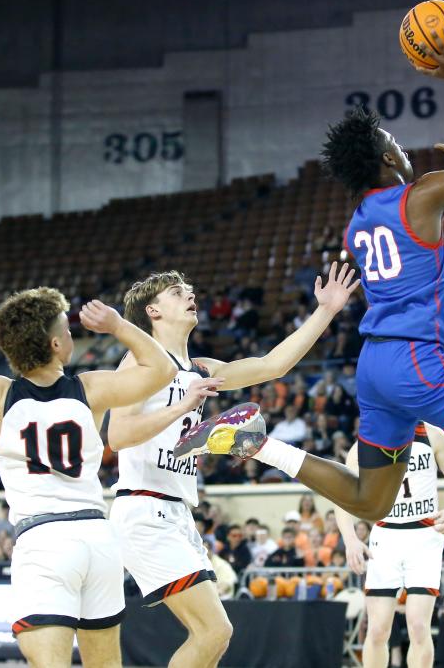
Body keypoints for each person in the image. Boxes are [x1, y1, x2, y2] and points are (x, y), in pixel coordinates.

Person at [175, 28, 444, 632]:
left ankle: (259, 442)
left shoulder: (360, 221)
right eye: (394, 140)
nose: (403, 146)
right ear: (387, 157)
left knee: (369, 501)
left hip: (377, 369)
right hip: (417, 365)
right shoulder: (417, 193)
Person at [0, 285, 177, 667]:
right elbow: (163, 370)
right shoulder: (90, 388)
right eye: (66, 331)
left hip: (45, 540)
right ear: (54, 344)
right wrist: (118, 326)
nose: (71, 336)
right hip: (98, 539)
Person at [108, 263, 358, 666]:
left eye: (189, 288)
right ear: (152, 312)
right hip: (143, 507)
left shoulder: (201, 368)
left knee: (215, 640)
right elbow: (117, 436)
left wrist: (326, 311)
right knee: (214, 631)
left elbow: (273, 365)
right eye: (177, 292)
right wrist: (185, 409)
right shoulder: (139, 364)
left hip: (175, 511)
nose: (190, 294)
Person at [336, 423, 444, 668]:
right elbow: (341, 494)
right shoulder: (366, 442)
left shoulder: (433, 435)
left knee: (418, 626)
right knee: (377, 629)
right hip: (386, 536)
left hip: (425, 535)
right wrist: (350, 539)